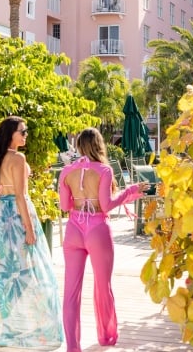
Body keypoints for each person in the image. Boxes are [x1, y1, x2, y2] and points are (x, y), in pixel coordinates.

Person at [58, 127, 149, 352]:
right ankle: (107, 336)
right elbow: (106, 205)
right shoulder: (104, 170)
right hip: (96, 228)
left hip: (73, 229)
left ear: (79, 145)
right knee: (102, 286)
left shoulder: (66, 171)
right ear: (99, 144)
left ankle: (72, 347)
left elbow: (64, 206)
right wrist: (130, 192)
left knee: (70, 292)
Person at [0, 116, 63, 349]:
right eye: (22, 131)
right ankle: (24, 325)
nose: (25, 134)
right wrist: (29, 227)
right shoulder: (18, 158)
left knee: (3, 271)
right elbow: (21, 197)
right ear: (11, 134)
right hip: (16, 214)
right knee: (29, 270)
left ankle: (5, 322)